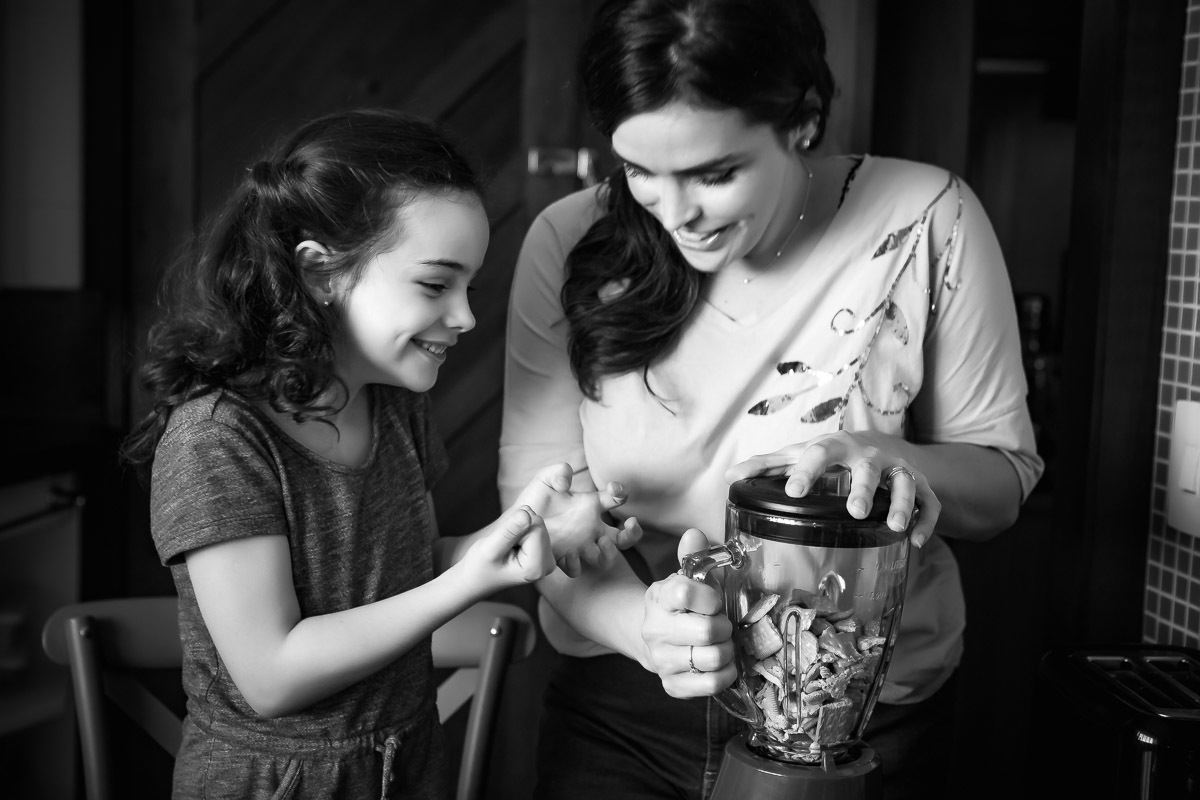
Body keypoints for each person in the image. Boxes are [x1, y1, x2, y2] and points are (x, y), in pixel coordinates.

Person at [498, 1, 1044, 798]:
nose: (675, 213)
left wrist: (885, 458)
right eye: (641, 172)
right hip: (627, 709)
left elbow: (1000, 486)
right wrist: (653, 637)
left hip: (859, 713)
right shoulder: (569, 239)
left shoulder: (930, 217)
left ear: (803, 120)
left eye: (715, 175)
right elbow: (538, 508)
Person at [120, 108, 641, 800]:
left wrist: (525, 532)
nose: (465, 317)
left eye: (470, 286)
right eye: (434, 284)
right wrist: (466, 584)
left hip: (407, 764)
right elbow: (271, 674)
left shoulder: (393, 404)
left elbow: (403, 570)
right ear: (320, 273)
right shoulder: (217, 439)